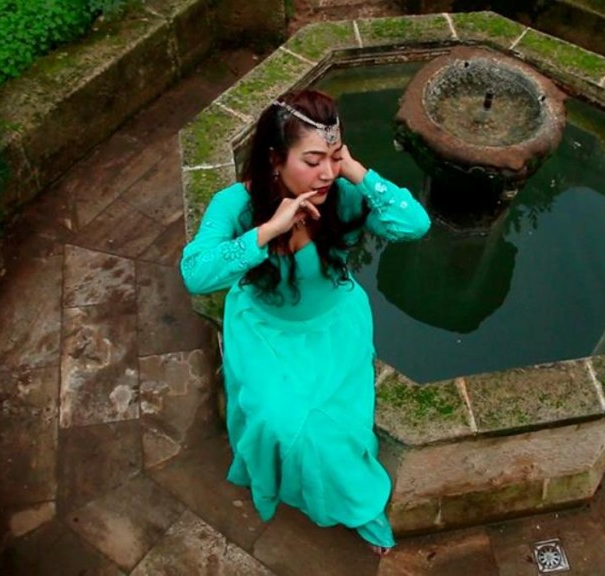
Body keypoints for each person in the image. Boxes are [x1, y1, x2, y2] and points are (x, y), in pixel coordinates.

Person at [180, 89, 431, 554]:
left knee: (333, 432)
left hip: (334, 324)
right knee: (278, 420)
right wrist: (270, 229)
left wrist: (356, 170)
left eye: (334, 157)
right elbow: (196, 275)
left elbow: (414, 224)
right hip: (264, 329)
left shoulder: (345, 192)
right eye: (312, 160)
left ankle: (358, 505)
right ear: (276, 159)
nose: (326, 173)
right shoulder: (236, 204)